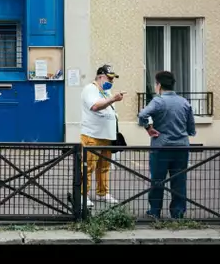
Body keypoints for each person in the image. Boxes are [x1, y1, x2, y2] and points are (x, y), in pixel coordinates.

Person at [138, 71, 196, 219]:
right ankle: (177, 213)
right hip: (181, 147)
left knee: (158, 180)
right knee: (179, 181)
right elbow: (191, 128)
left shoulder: (158, 101)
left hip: (161, 146)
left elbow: (142, 114)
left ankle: (155, 211)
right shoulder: (184, 102)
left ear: (158, 85)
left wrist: (148, 128)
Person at [80, 64, 125, 207]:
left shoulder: (106, 91)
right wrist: (113, 99)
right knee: (88, 167)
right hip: (93, 135)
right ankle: (83, 195)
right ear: (100, 76)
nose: (111, 81)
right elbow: (95, 106)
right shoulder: (90, 89)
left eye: (113, 79)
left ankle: (103, 193)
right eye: (109, 78)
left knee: (104, 167)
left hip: (106, 136)